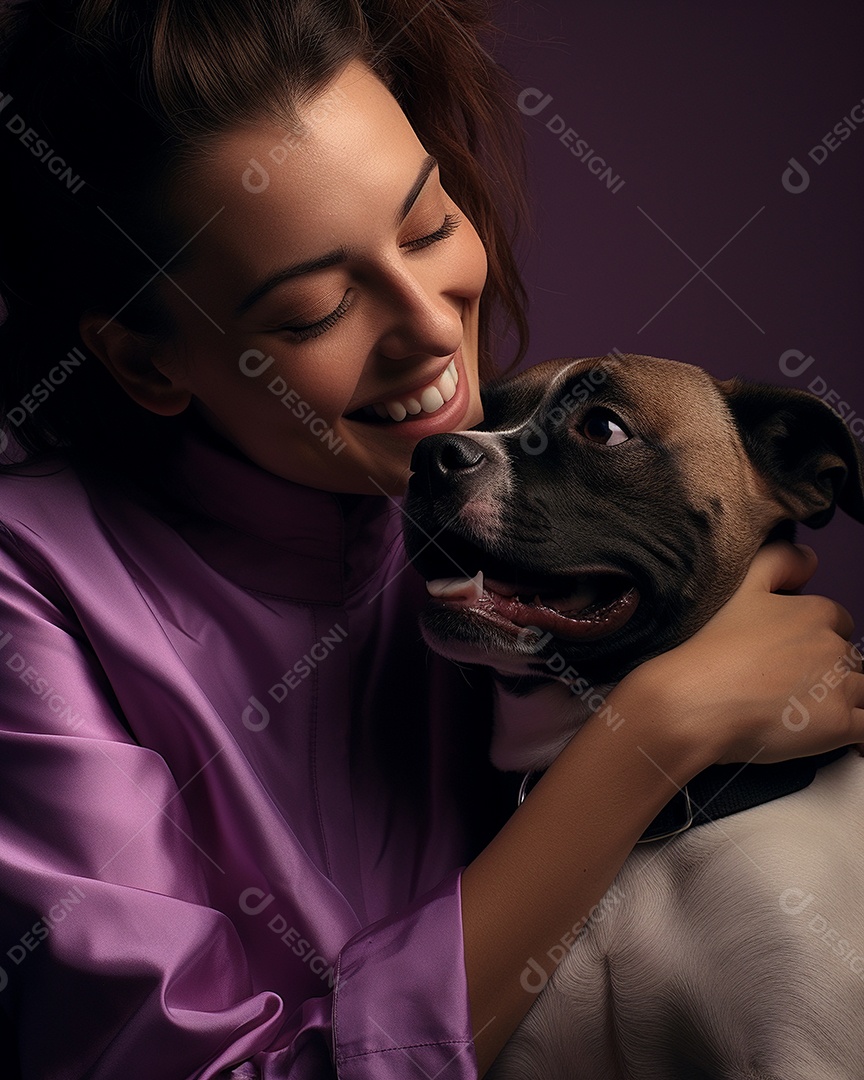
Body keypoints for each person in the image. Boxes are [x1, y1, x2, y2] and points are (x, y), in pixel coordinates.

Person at [0, 2, 861, 1078]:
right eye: (314, 309)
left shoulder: (489, 497)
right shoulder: (26, 587)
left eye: (426, 227)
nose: (428, 326)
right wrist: (653, 734)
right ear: (147, 363)